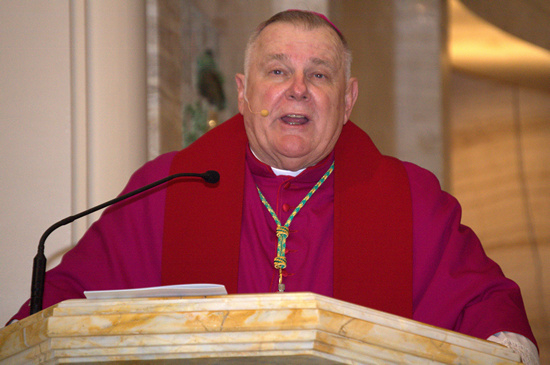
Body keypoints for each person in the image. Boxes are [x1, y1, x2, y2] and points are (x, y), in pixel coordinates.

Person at [10, 10, 538, 364]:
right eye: (278, 70)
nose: (299, 90)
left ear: (348, 100)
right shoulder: (165, 191)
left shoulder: (414, 201)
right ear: (243, 92)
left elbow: (489, 306)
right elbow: (65, 300)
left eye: (321, 75)